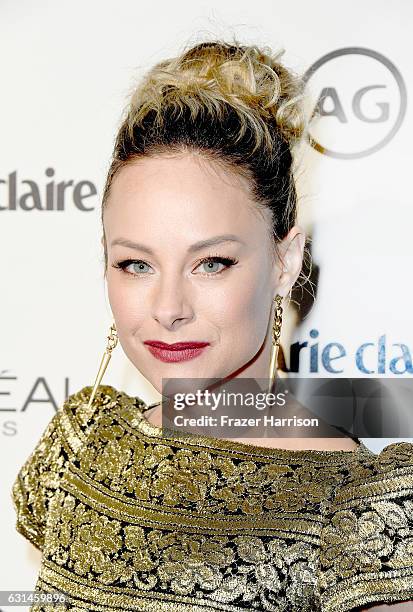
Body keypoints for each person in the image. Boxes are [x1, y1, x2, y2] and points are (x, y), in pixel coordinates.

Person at [11, 39, 413, 611]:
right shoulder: (77, 451)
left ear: (285, 261)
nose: (169, 306)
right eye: (135, 264)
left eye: (212, 263)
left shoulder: (362, 509)